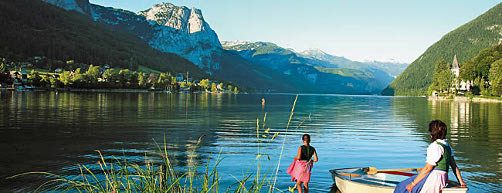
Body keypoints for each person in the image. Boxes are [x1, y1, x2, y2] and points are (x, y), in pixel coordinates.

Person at [394, 120, 467, 193]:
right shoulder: (447, 147)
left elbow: (427, 169)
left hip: (434, 178)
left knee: (400, 187)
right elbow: (454, 166)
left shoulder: (435, 147)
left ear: (432, 133)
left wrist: (412, 184)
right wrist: (461, 182)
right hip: (443, 177)